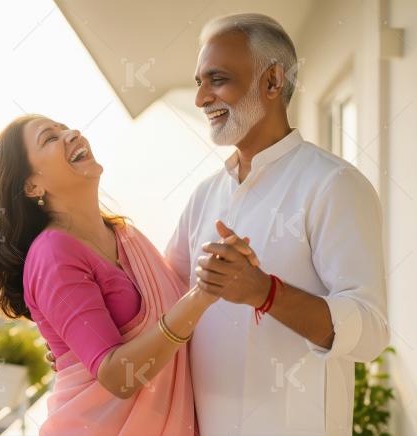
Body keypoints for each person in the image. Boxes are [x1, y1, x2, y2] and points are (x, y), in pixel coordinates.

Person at [0, 114, 256, 435]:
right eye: (50, 138)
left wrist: (229, 266)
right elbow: (119, 377)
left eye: (64, 127)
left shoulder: (125, 234)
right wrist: (201, 297)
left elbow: (171, 298)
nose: (72, 133)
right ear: (32, 185)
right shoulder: (53, 253)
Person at [164, 13, 391, 435]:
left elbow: (371, 332)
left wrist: (264, 292)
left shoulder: (334, 184)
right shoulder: (204, 195)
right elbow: (161, 293)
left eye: (217, 79)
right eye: (199, 82)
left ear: (272, 81)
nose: (201, 99)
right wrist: (90, 346)